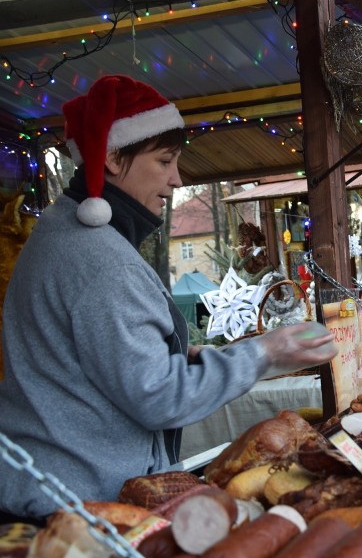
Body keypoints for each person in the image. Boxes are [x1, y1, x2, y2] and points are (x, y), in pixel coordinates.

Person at [0, 75, 338, 524]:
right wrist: (265, 352)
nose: (176, 179)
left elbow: (98, 362)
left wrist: (185, 353)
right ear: (114, 158)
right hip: (78, 505)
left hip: (60, 488)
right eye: (164, 161)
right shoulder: (100, 259)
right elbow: (160, 397)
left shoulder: (66, 233)